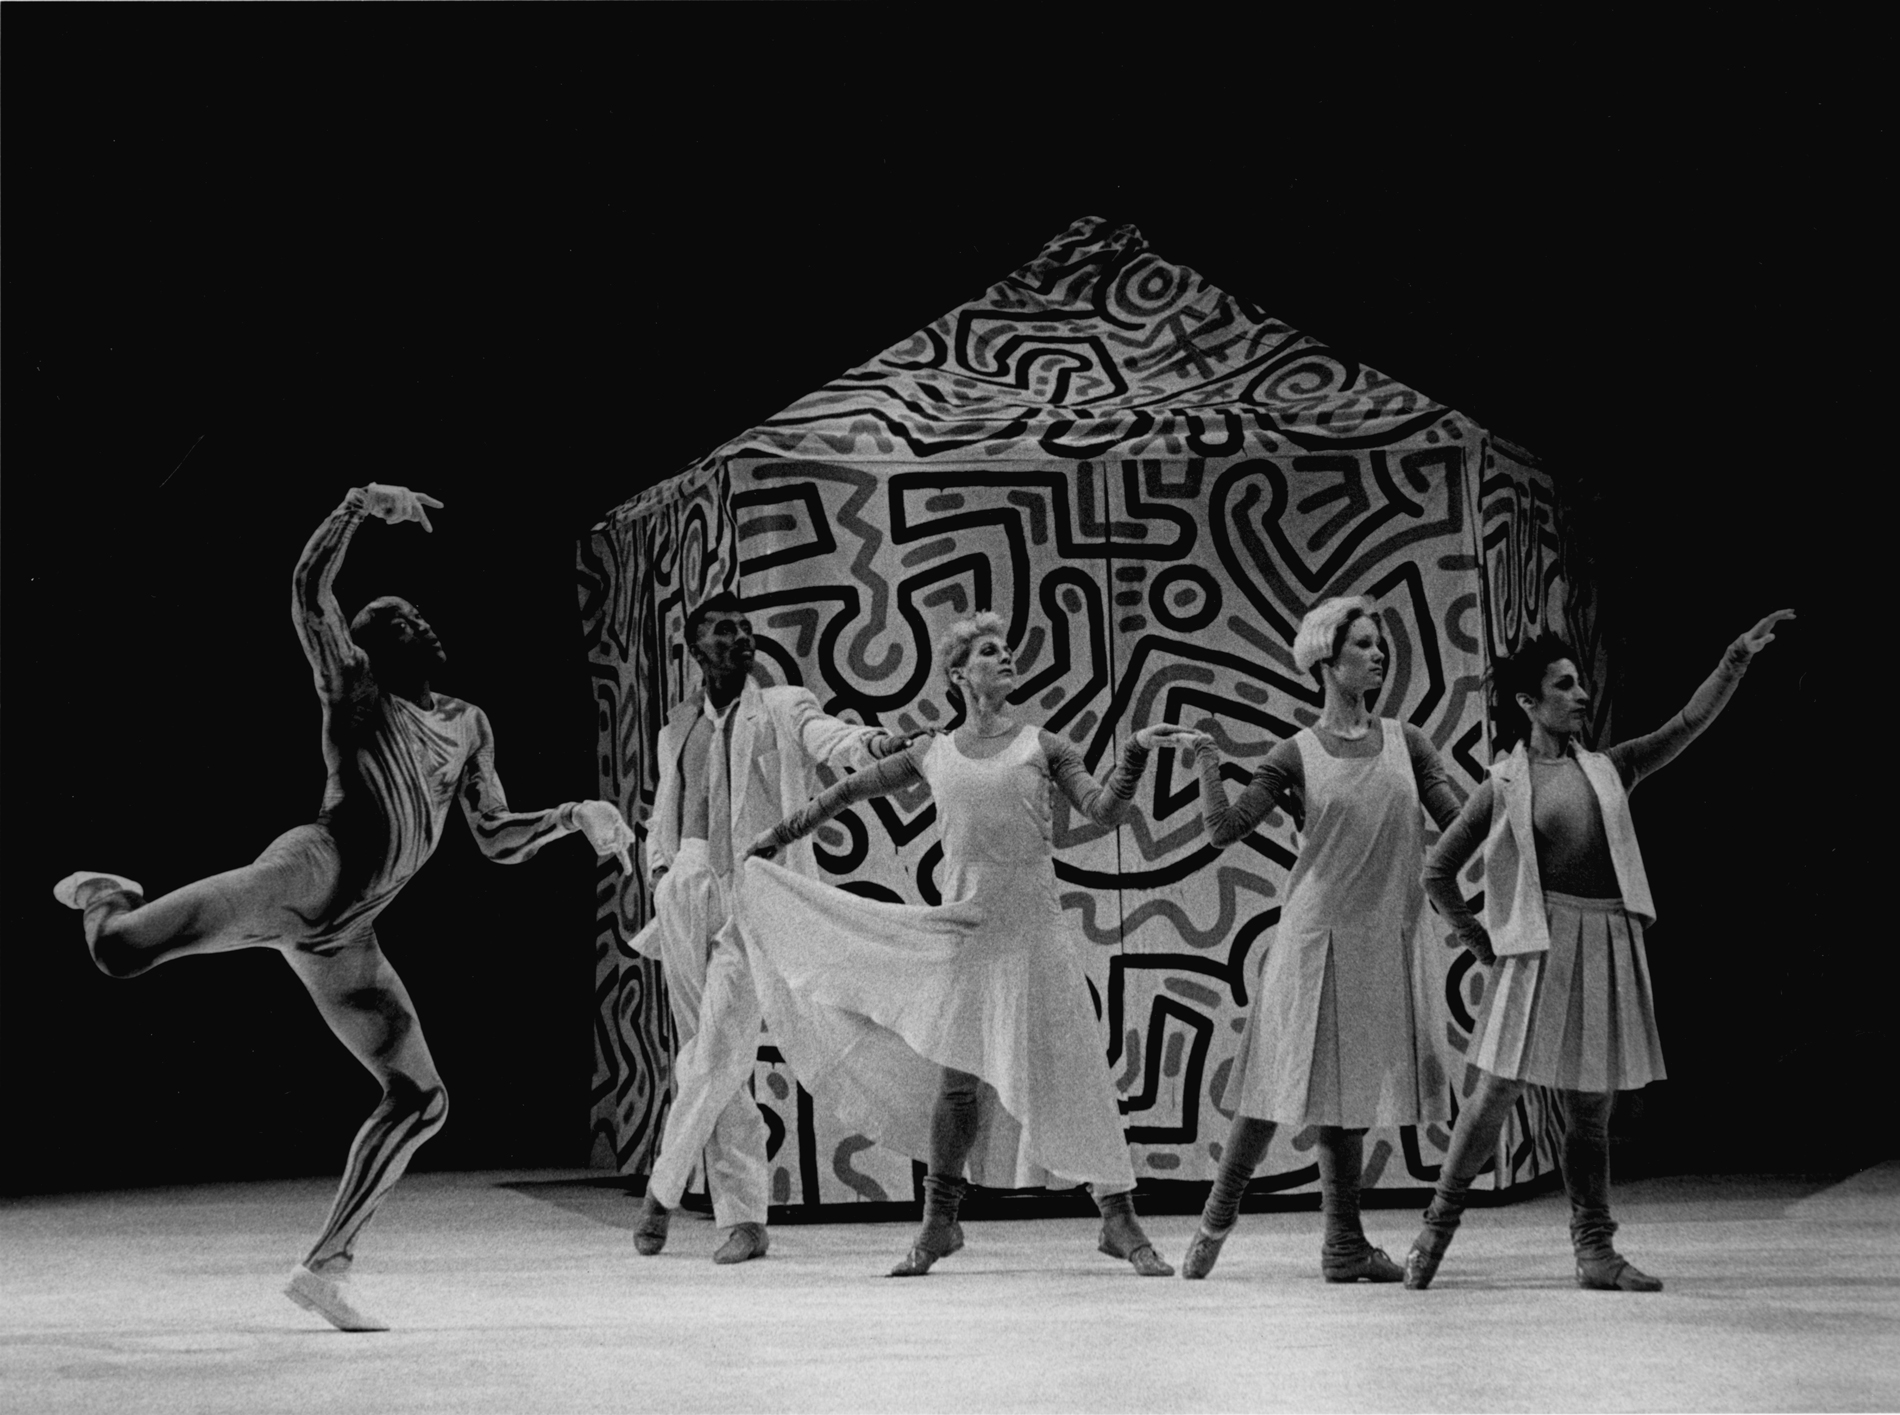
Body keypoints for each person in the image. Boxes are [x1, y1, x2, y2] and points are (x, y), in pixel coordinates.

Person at [53, 483, 636, 1333]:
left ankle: (326, 1265)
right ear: (366, 648)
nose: (418, 625)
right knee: (121, 953)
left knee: (422, 1098)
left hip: (349, 930)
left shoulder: (470, 724)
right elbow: (306, 595)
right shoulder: (356, 692)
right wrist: (357, 508)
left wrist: (572, 817)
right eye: (396, 621)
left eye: (417, 616)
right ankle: (105, 895)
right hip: (309, 873)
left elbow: (497, 837)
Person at [741, 610, 1200, 1278]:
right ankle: (937, 1226)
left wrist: (1134, 752)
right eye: (990, 651)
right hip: (968, 932)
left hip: (1034, 933)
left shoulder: (1043, 745)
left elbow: (1104, 811)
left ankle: (1119, 1221)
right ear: (959, 673)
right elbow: (849, 789)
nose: (1006, 657)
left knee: (1074, 1074)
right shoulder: (935, 750)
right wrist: (779, 836)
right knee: (958, 1087)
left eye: (1008, 649)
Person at [1403, 609, 1796, 1293]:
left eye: (1580, 681)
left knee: (1592, 1108)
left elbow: (1684, 726)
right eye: (1564, 684)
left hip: (1606, 937)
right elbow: (1436, 871)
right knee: (1494, 1091)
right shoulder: (1504, 784)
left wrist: (1734, 657)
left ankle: (1595, 1247)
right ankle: (1436, 1227)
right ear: (1529, 702)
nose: (1580, 693)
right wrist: (1482, 942)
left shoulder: (1610, 766)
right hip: (1539, 941)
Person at [1172, 595, 1465, 1283]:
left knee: (1349, 1094)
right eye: (1364, 644)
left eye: (1380, 644)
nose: (1379, 654)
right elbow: (1225, 829)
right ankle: (1214, 1222)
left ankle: (1343, 1244)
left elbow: (1457, 823)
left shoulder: (1407, 741)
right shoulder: (1295, 752)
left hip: (1381, 934)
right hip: (1314, 934)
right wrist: (1210, 761)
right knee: (1273, 1084)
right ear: (1327, 660)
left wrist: (1513, 802)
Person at [627, 591, 917, 1265]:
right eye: (724, 631)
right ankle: (744, 1217)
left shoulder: (783, 703)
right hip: (686, 888)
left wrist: (877, 742)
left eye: (745, 629)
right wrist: (662, 869)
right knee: (703, 1050)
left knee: (721, 1045)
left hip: (755, 889)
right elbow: (668, 806)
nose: (740, 639)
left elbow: (832, 736)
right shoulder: (678, 724)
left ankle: (662, 1190)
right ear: (697, 648)